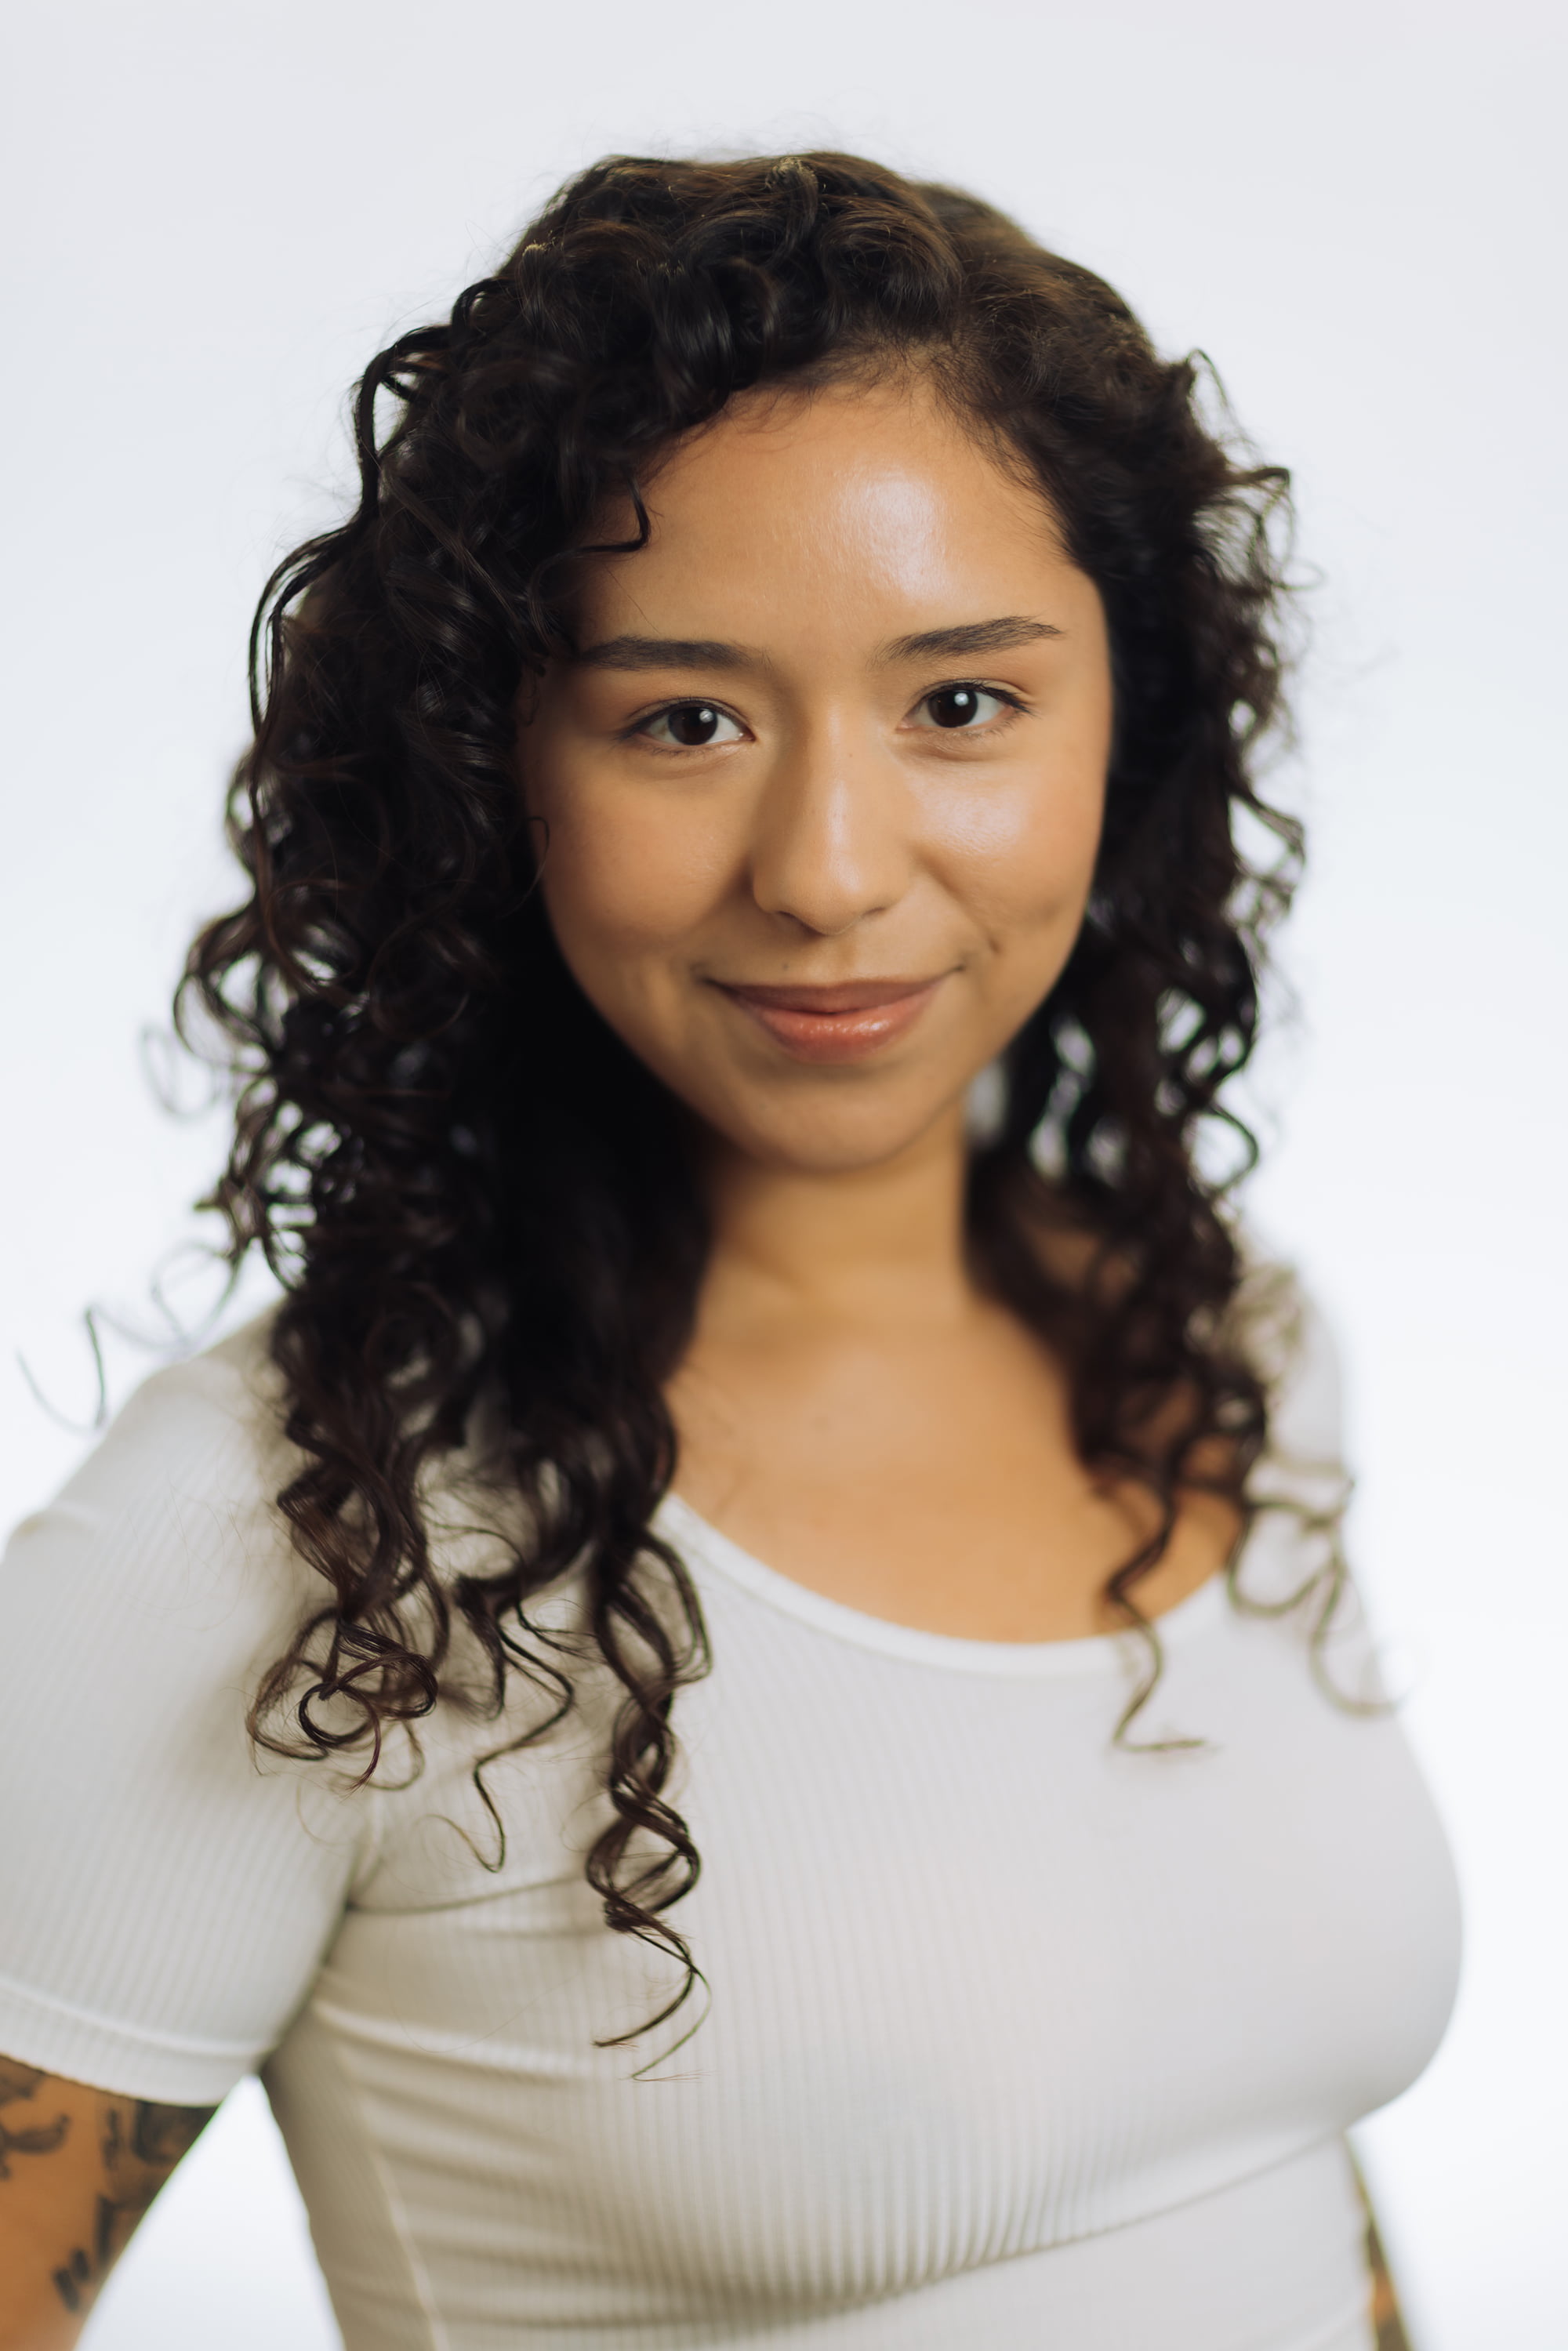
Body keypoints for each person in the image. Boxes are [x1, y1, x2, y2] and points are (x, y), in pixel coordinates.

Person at [0, 152, 1458, 2349]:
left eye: (960, 705)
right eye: (684, 719)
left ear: (1121, 735)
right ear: (498, 770)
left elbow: (1251, 2183)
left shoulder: (1220, 1345)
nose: (830, 868)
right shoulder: (302, 1540)